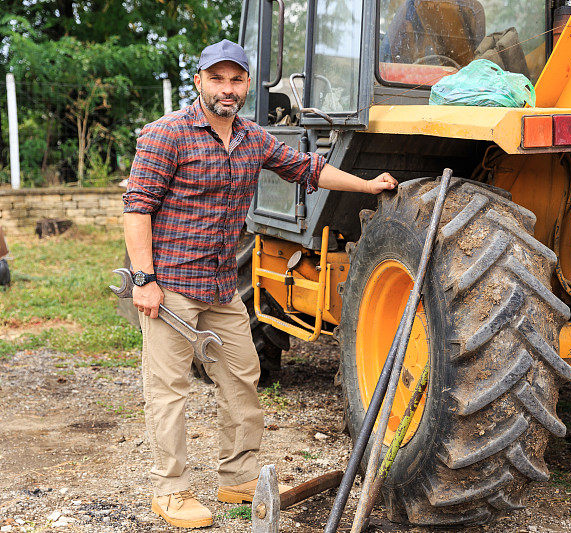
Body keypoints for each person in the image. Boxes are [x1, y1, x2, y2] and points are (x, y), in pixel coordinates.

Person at [122, 39, 397, 529]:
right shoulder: (166, 135)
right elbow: (137, 208)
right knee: (169, 390)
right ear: (198, 82)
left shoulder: (251, 137)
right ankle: (170, 490)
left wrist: (368, 185)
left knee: (243, 378)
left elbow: (309, 169)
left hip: (221, 286)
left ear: (248, 84)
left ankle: (238, 475)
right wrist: (144, 280)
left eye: (236, 80)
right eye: (217, 79)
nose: (227, 89)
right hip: (172, 288)